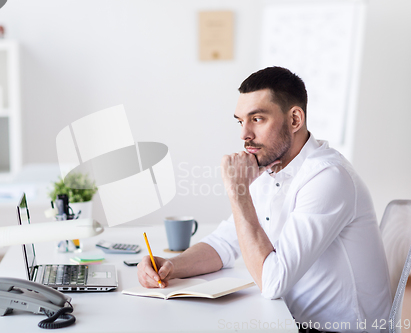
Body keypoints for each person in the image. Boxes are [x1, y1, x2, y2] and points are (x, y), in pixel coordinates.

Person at [137, 67, 391, 332]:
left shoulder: (328, 178)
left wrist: (238, 191)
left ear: (295, 119)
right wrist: (170, 266)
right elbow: (224, 242)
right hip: (290, 320)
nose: (244, 134)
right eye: (240, 121)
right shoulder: (270, 168)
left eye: (257, 119)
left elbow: (273, 282)